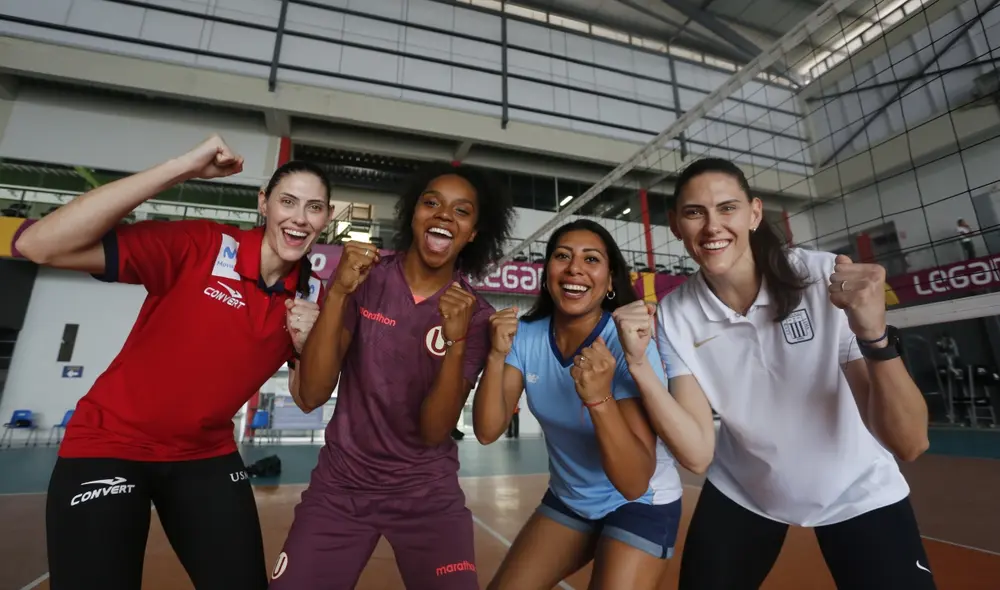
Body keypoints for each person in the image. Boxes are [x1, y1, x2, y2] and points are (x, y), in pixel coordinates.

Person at [14, 135, 333, 589]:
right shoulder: (201, 244)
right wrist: (180, 169)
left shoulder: (313, 294)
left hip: (205, 456)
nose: (300, 218)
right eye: (288, 202)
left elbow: (308, 399)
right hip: (111, 444)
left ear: (328, 217)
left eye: (314, 207)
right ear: (264, 204)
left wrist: (308, 344)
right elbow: (39, 246)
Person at [654, 157, 933, 590]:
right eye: (695, 212)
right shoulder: (675, 314)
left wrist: (874, 335)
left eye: (727, 208)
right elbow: (696, 451)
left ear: (755, 213)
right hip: (745, 489)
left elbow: (910, 443)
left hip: (857, 489)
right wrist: (636, 366)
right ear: (675, 224)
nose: (713, 227)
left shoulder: (823, 278)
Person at [269, 162, 516, 590]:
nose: (443, 215)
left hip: (427, 495)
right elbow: (311, 395)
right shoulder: (364, 278)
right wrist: (340, 292)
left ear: (473, 233)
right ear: (413, 215)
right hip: (341, 487)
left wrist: (456, 343)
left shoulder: (475, 316)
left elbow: (435, 430)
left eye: (461, 211)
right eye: (431, 203)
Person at [473, 219, 689, 590]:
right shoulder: (525, 337)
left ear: (609, 282)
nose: (575, 268)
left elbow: (634, 482)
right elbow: (488, 430)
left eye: (591, 259)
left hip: (641, 502)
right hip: (570, 499)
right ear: (546, 274)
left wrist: (599, 399)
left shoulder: (628, 343)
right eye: (562, 256)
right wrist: (495, 356)